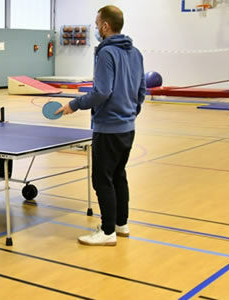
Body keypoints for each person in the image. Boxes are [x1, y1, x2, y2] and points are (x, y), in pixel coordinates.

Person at [56, 5, 146, 246]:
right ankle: (121, 224)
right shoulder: (136, 53)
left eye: (97, 25)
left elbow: (102, 92)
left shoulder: (106, 53)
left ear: (106, 26)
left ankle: (107, 232)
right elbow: (141, 91)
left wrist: (74, 104)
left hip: (108, 128)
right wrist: (129, 114)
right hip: (127, 127)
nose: (96, 28)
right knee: (118, 175)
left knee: (102, 179)